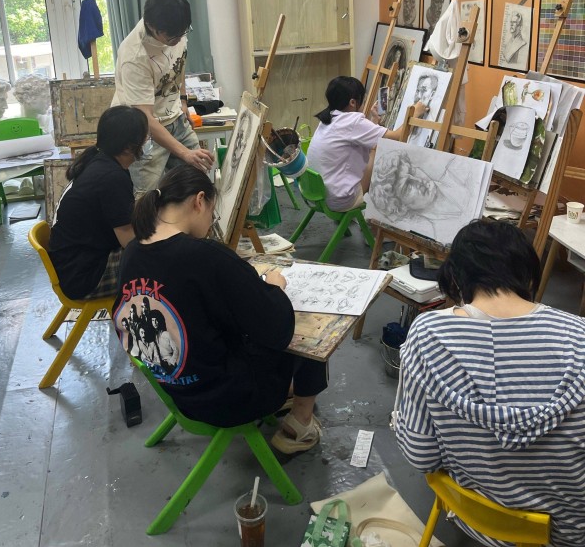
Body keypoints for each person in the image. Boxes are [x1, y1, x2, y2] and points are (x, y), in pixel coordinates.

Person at [395, 220, 585, 546]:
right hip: (565, 535)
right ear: (528, 276)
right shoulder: (579, 337)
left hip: (476, 518)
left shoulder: (427, 336)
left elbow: (420, 455)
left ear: (456, 278)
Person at [113, 165, 328, 452]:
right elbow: (277, 328)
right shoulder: (205, 256)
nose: (211, 223)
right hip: (227, 400)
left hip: (177, 391)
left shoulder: (132, 252)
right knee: (312, 325)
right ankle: (300, 424)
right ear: (199, 201)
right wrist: (275, 288)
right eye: (213, 214)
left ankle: (287, 392)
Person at [112, 0, 214, 196]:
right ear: (152, 26)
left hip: (176, 120)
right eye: (172, 37)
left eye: (183, 32)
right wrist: (184, 153)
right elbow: (145, 118)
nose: (179, 39)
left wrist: (183, 101)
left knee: (198, 181)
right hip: (144, 132)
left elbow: (177, 66)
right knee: (147, 196)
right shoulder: (134, 56)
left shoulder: (177, 31)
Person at [49, 105, 148, 299]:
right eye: (146, 138)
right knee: (163, 261)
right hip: (86, 277)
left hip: (74, 264)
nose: (147, 142)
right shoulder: (111, 178)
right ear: (129, 146)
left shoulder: (98, 159)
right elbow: (130, 242)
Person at [306, 76, 427, 212]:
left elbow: (357, 137)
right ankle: (379, 213)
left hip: (314, 194)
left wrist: (374, 120)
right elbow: (397, 136)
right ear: (353, 102)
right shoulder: (352, 121)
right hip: (338, 200)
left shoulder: (329, 118)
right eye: (362, 100)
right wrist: (415, 113)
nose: (363, 104)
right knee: (377, 155)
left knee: (371, 149)